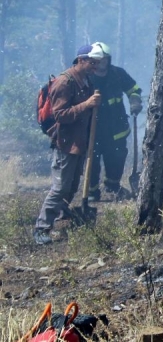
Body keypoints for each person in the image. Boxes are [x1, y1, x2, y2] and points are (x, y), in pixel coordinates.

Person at [34, 44, 103, 245]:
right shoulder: (65, 82)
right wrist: (87, 104)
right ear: (81, 60)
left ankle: (60, 220)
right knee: (60, 188)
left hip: (79, 144)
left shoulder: (85, 81)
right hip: (65, 144)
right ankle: (41, 228)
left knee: (72, 186)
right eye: (92, 63)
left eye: (97, 64)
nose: (95, 67)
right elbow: (60, 115)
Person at [87, 42, 142, 201]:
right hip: (93, 130)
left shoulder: (118, 74)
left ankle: (113, 186)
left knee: (117, 158)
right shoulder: (87, 77)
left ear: (108, 60)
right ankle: (92, 192)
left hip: (116, 128)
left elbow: (134, 89)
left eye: (104, 59)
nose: (101, 62)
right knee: (92, 162)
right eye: (98, 59)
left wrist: (135, 101)